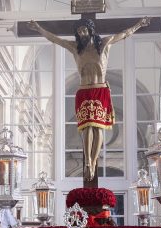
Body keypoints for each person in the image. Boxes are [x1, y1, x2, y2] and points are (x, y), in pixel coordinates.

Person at [29, 17, 150, 181]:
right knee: (87, 128)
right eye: (79, 31)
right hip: (84, 91)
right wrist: (39, 29)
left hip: (100, 90)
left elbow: (123, 34)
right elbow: (56, 39)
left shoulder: (104, 45)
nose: (82, 33)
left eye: (84, 29)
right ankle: (88, 163)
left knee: (98, 128)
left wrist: (138, 25)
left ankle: (94, 161)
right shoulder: (75, 48)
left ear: (91, 30)